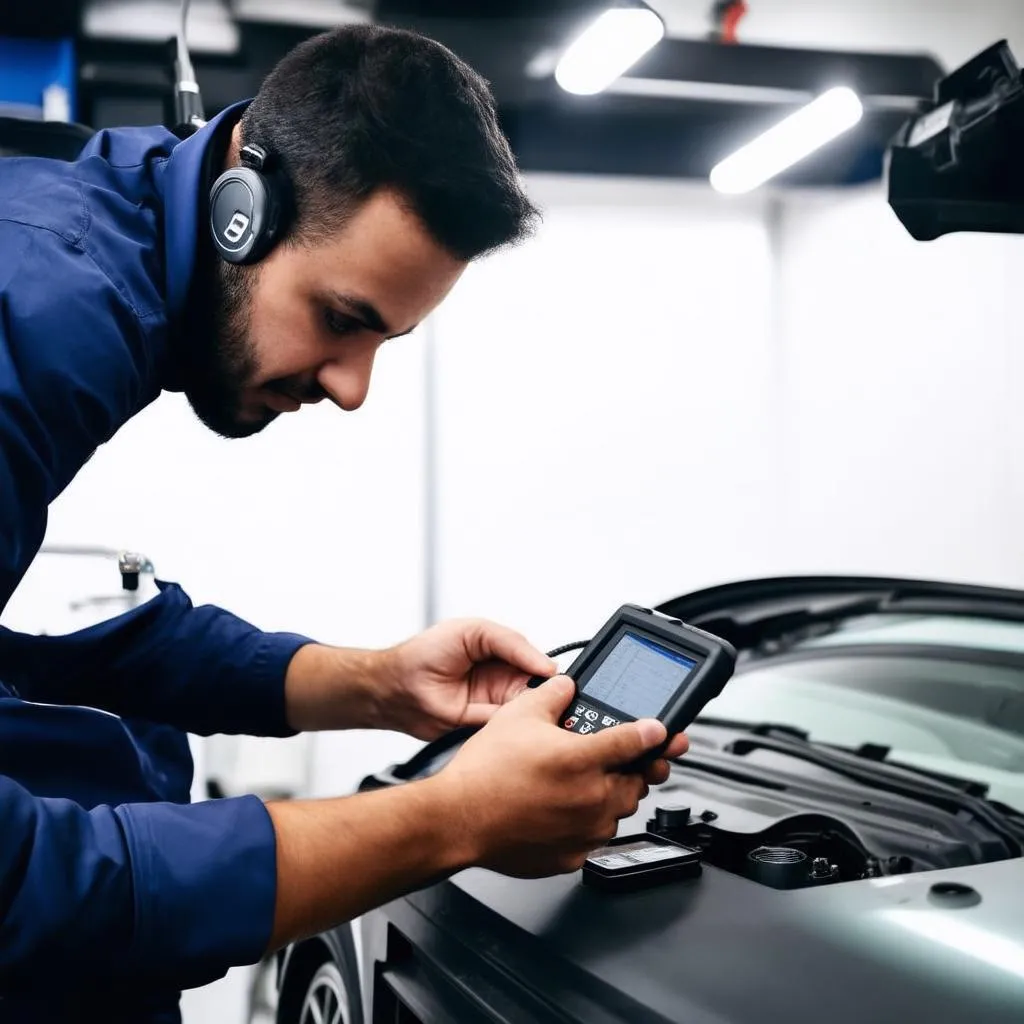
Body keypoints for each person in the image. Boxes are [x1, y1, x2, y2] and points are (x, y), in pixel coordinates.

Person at [0, 23, 687, 1023]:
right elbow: (19, 888)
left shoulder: (101, 248)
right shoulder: (41, 320)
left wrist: (379, 685)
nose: (353, 387)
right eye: (341, 317)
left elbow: (49, 651)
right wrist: (451, 819)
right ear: (243, 210)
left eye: (386, 340)